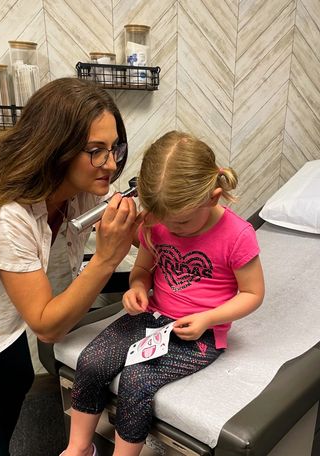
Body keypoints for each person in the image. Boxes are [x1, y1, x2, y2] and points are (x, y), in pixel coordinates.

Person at [0, 77, 140, 455]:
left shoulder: (82, 184)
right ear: (56, 150)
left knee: (18, 376)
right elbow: (47, 325)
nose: (111, 163)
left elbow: (145, 230)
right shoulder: (7, 212)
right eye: (96, 150)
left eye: (115, 148)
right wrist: (106, 258)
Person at [63, 130, 265, 456]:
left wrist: (208, 318)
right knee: (91, 361)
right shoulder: (157, 223)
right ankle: (78, 448)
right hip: (151, 317)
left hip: (200, 333)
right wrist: (137, 288)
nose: (172, 230)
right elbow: (143, 270)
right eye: (165, 223)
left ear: (213, 197)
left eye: (182, 223)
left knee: (136, 381)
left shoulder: (237, 236)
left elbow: (253, 293)